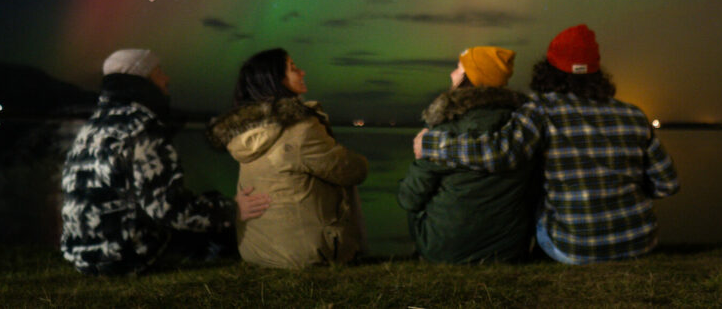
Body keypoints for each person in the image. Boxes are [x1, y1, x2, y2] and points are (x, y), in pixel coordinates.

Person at [415, 25, 679, 264]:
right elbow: (668, 184)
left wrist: (431, 145)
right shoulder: (633, 114)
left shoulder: (540, 110)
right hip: (640, 241)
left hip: (573, 249)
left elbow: (499, 153)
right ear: (597, 73)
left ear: (548, 69)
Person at [60, 49, 270, 275]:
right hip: (125, 256)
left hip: (83, 256)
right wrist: (232, 210)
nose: (166, 79)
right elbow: (167, 207)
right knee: (213, 216)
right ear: (142, 80)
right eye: (158, 72)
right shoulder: (141, 127)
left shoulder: (92, 127)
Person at [206, 48, 368, 268]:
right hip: (303, 255)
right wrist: (363, 162)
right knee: (343, 176)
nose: (302, 72)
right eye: (293, 68)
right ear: (275, 80)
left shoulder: (244, 133)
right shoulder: (299, 128)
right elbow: (352, 170)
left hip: (256, 250)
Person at [397, 46, 538, 263]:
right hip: (509, 251)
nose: (452, 74)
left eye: (458, 68)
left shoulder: (446, 128)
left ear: (470, 77)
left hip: (445, 251)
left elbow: (410, 196)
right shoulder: (521, 128)